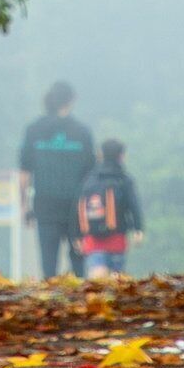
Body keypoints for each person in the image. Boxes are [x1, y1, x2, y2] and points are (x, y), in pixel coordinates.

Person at [17, 83, 95, 279]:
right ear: (72, 101)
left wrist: (24, 207)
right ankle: (81, 305)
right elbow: (91, 175)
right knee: (79, 265)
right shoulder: (83, 132)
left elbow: (24, 175)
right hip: (76, 209)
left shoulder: (33, 130)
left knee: (48, 266)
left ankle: (50, 306)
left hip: (45, 207)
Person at [74, 140, 143, 276]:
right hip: (117, 236)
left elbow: (77, 206)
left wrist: (76, 234)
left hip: (92, 238)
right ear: (122, 156)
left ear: (100, 155)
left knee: (97, 270)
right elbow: (133, 205)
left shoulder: (89, 179)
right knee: (116, 275)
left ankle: (97, 295)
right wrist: (138, 229)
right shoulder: (124, 179)